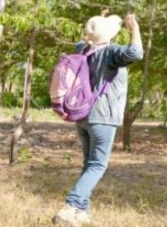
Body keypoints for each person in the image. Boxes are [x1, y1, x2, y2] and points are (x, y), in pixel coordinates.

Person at [53, 12, 143, 226]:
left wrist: (96, 23)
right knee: (97, 165)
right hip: (103, 117)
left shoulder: (83, 50)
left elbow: (84, 39)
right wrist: (135, 29)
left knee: (89, 164)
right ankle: (70, 206)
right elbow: (136, 52)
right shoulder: (112, 52)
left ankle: (82, 213)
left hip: (82, 116)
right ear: (109, 35)